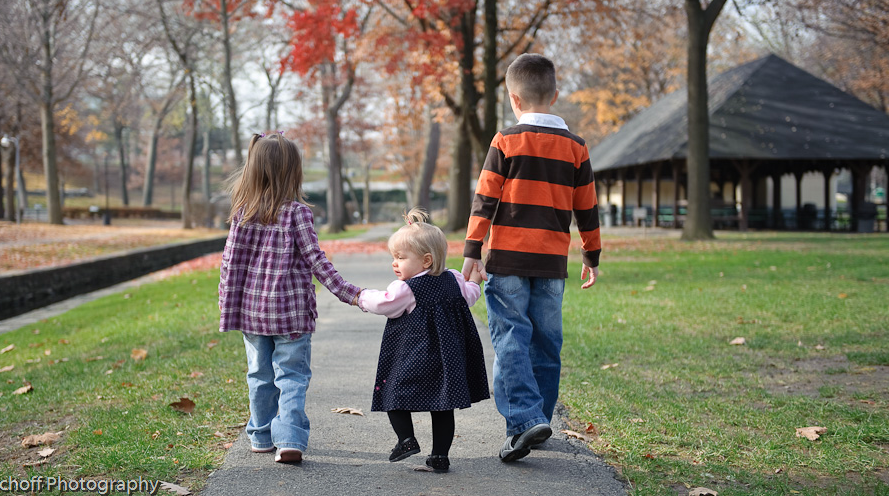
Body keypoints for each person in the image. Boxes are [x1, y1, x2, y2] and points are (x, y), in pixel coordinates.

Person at [461, 53, 602, 463]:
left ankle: (524, 422)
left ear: (514, 100)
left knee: (511, 340)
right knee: (546, 342)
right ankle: (536, 419)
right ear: (555, 95)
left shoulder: (506, 141)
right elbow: (587, 208)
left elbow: (484, 199)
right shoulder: (576, 147)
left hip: (507, 262)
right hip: (552, 265)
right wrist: (591, 255)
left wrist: (473, 250)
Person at [218, 132, 362, 464]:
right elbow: (317, 261)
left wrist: (229, 309)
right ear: (292, 172)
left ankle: (261, 435)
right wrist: (350, 294)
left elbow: (230, 265)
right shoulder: (297, 213)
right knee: (292, 376)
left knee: (259, 375)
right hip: (291, 314)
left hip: (252, 314)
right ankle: (290, 439)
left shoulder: (242, 213)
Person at [358, 208, 490, 473]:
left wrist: (360, 296)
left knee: (392, 393)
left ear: (426, 260)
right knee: (443, 406)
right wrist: (475, 279)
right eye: (393, 257)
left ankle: (406, 440)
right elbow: (470, 295)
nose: (394, 263)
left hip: (413, 357)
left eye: (400, 257)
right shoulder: (453, 279)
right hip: (446, 360)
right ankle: (440, 456)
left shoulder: (406, 289)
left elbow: (385, 304)